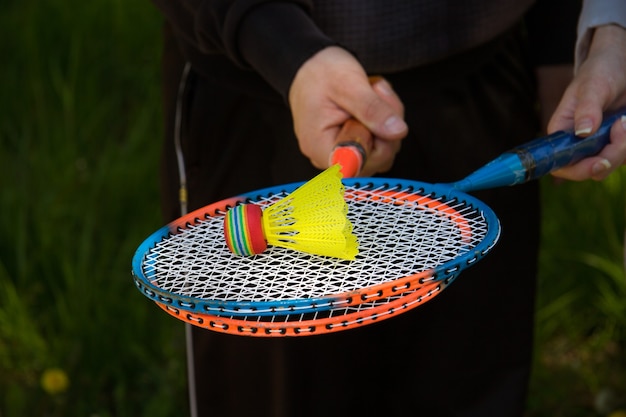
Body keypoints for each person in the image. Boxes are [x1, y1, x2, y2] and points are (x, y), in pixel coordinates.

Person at [153, 0, 626, 416]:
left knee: (467, 375)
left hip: (484, 75)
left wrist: (562, 33)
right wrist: (285, 49)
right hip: (258, 85)